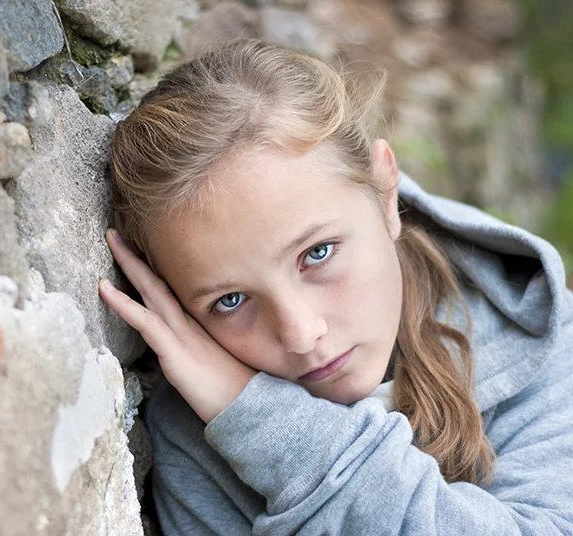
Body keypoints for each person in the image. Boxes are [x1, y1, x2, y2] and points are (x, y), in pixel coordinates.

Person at [98, 39, 573, 535]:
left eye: (317, 254)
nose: (301, 334)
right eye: (230, 300)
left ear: (385, 193)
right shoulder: (192, 436)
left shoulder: (539, 334)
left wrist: (274, 430)